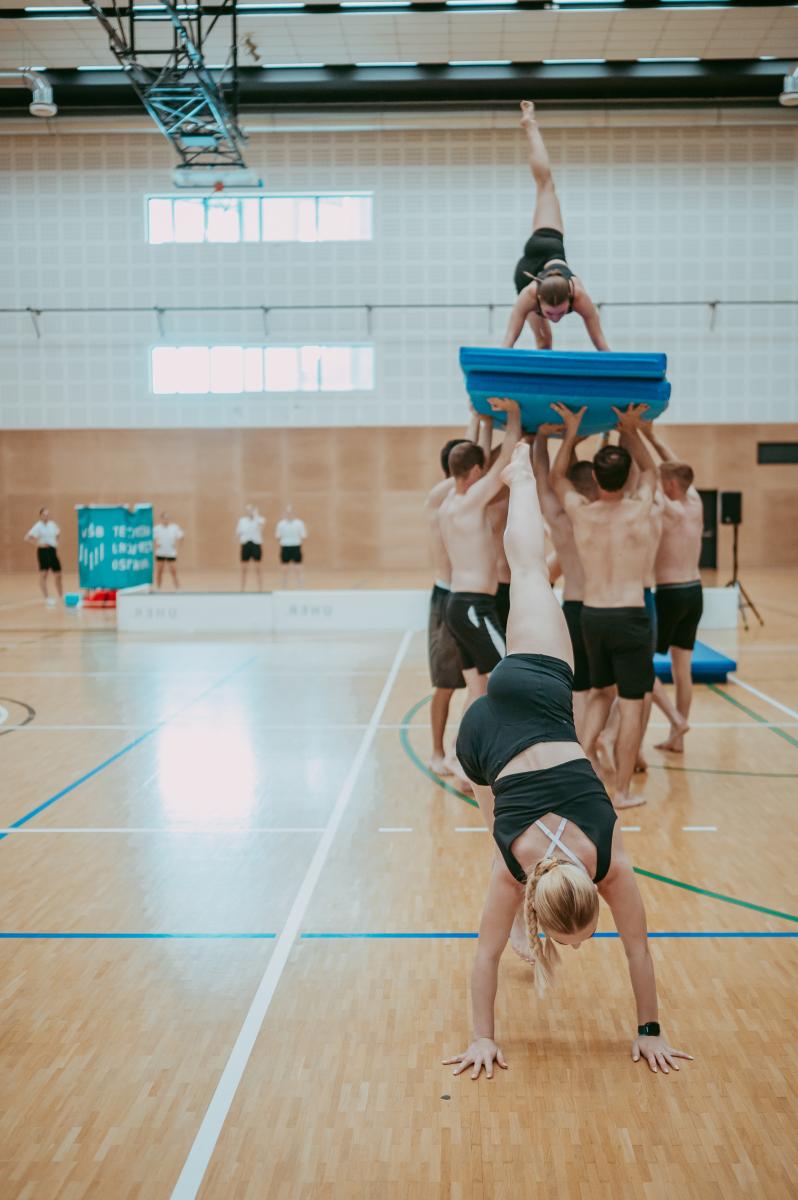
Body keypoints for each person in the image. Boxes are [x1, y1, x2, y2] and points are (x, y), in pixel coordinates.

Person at [444, 441, 692, 1081]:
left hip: (532, 689)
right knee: (494, 834)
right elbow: (483, 956)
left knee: (529, 571)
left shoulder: (606, 855)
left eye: (578, 937)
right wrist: (480, 1037)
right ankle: (514, 921)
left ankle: (522, 478)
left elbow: (637, 949)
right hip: (480, 742)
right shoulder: (516, 869)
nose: (589, 944)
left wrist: (651, 1028)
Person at [549, 403, 657, 810]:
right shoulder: (639, 509)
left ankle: (574, 765)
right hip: (629, 616)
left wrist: (572, 432)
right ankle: (622, 792)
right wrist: (631, 429)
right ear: (627, 479)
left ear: (593, 478)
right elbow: (651, 471)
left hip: (592, 615)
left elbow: (557, 477)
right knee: (630, 705)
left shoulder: (582, 512)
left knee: (599, 694)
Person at [503, 101, 610, 353]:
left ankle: (530, 124)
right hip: (540, 254)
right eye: (550, 313)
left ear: (570, 299)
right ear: (539, 299)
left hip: (543, 252)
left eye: (560, 312)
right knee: (546, 184)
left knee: (545, 185)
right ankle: (530, 124)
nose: (555, 317)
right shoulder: (529, 294)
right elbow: (508, 342)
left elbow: (601, 344)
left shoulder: (579, 295)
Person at [439, 399, 522, 706]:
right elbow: (506, 456)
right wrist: (514, 413)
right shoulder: (472, 501)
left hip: (459, 604)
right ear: (475, 471)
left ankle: (469, 739)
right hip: (474, 606)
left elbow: (477, 458)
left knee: (479, 689)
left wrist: (484, 422)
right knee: (510, 676)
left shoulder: (450, 501)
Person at [424, 414, 492, 779]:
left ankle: (456, 751)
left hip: (463, 594)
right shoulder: (443, 496)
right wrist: (476, 422)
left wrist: (481, 421)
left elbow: (475, 456)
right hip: (448, 595)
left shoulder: (459, 496)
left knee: (474, 683)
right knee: (445, 683)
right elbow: (474, 457)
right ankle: (439, 751)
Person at [532, 427, 598, 742]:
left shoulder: (558, 520)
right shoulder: (609, 515)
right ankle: (606, 741)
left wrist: (541, 438)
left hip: (572, 607)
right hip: (604, 606)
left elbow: (543, 478)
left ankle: (583, 748)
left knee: (580, 688)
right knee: (608, 688)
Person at [642, 423, 705, 754]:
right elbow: (675, 466)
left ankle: (672, 723)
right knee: (683, 670)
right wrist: (652, 436)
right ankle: (676, 738)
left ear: (669, 485)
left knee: (640, 665)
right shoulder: (695, 502)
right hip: (695, 592)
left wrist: (633, 436)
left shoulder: (668, 507)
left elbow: (647, 474)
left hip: (670, 595)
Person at [24, 507, 62, 605]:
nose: (46, 516)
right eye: (44, 515)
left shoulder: (52, 524)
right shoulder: (38, 526)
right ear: (40, 515)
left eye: (47, 515)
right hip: (43, 551)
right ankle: (47, 597)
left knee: (58, 574)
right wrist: (39, 544)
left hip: (52, 551)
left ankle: (61, 596)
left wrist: (56, 542)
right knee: (44, 574)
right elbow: (27, 538)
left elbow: (58, 533)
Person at [275, 504, 308, 588]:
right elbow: (278, 536)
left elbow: (303, 535)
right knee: (284, 567)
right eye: (287, 512)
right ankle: (284, 585)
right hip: (285, 546)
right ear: (285, 513)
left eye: (291, 512)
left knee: (298, 567)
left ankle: (301, 585)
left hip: (296, 546)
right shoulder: (281, 524)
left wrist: (296, 541)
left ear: (294, 513)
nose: (289, 514)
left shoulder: (299, 523)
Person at [236, 504, 265, 591]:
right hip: (246, 545)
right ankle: (242, 588)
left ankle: (260, 589)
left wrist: (256, 516)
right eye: (248, 510)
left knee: (258, 568)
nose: (250, 512)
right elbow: (238, 533)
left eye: (252, 510)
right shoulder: (242, 521)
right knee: (244, 569)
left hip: (256, 545)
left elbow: (261, 527)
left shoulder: (260, 519)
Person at [153, 511, 184, 590]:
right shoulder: (157, 528)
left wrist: (178, 546)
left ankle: (178, 588)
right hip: (160, 553)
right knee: (159, 571)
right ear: (161, 519)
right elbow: (152, 538)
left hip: (171, 553)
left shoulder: (174, 527)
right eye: (164, 518)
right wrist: (156, 544)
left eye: (167, 518)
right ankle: (158, 588)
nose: (166, 520)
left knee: (174, 571)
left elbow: (181, 536)